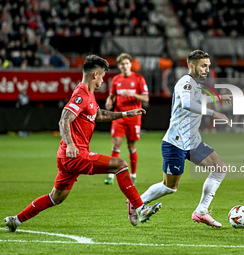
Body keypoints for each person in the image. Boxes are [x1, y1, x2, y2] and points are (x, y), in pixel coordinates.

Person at [4, 55, 161, 232]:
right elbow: (64, 119)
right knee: (120, 165)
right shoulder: (81, 94)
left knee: (56, 197)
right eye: (102, 76)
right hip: (75, 154)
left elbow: (99, 114)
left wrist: (126, 114)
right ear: (95, 74)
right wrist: (71, 144)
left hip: (67, 157)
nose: (102, 80)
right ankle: (140, 208)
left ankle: (15, 220)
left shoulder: (89, 95)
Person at [126, 50, 232, 227]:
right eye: (203, 66)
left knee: (219, 168)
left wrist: (219, 98)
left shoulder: (196, 84)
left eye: (208, 66)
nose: (207, 69)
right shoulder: (186, 82)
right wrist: (214, 112)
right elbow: (187, 104)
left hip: (192, 142)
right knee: (169, 187)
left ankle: (201, 212)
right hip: (175, 142)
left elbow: (197, 101)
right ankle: (136, 202)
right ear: (192, 66)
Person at [104, 53, 149, 185]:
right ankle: (111, 176)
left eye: (126, 63)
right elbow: (111, 96)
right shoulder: (116, 79)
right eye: (122, 64)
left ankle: (133, 174)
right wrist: (109, 102)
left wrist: (133, 94)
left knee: (131, 146)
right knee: (116, 144)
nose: (124, 66)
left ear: (130, 64)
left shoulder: (139, 78)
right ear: (119, 66)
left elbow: (146, 98)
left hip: (134, 117)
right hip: (119, 116)